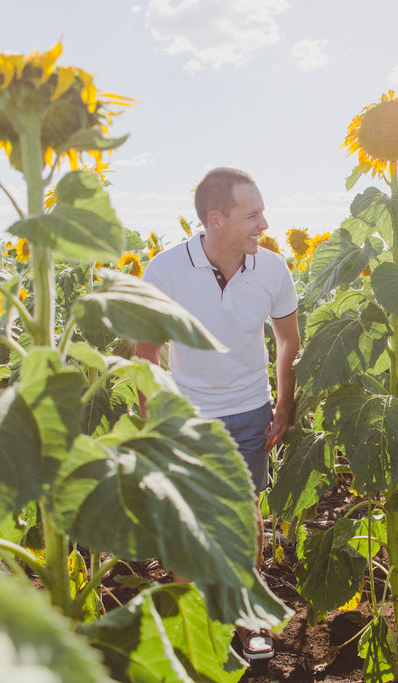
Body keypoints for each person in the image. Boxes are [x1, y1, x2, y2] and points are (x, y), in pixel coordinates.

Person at [136, 167, 300, 661]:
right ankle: (197, 631)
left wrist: (284, 402)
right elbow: (146, 352)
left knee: (245, 519)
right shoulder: (165, 271)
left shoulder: (271, 269)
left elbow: (288, 339)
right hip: (188, 415)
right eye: (252, 215)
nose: (264, 224)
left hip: (250, 410)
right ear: (216, 219)